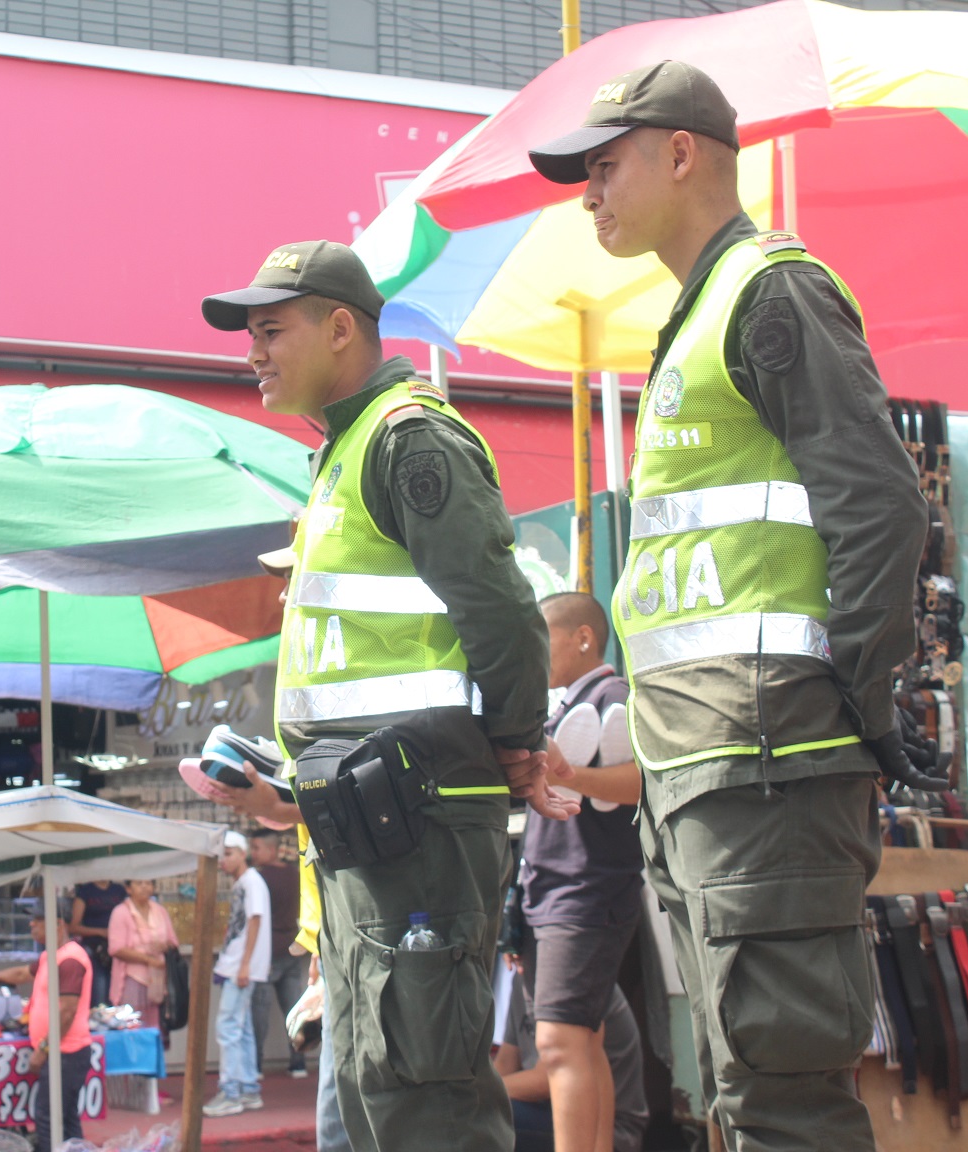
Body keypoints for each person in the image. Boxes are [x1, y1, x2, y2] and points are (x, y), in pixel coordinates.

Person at [527, 61, 941, 1151]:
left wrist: (858, 699)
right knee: (740, 1092)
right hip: (709, 770)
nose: (588, 195)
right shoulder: (704, 308)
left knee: (780, 1100)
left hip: (767, 756)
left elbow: (882, 507)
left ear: (681, 153)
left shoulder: (769, 290)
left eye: (604, 166)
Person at [202, 240, 567, 1151]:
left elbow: (503, 613)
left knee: (424, 1105)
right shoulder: (343, 449)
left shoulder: (408, 437)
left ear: (340, 328)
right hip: (373, 825)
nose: (253, 353)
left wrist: (516, 742)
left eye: (271, 331)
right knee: (381, 1095)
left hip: (421, 822)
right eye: (250, 335)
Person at [519, 592, 643, 1152]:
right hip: (549, 886)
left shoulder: (614, 697)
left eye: (542, 638)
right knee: (583, 1041)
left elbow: (640, 784)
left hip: (586, 887)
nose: (533, 653)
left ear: (584, 638)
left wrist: (569, 776)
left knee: (560, 1042)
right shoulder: (563, 705)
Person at [0, 898, 95, 1152]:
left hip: (66, 1052)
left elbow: (67, 1012)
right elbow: (21, 974)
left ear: (58, 924)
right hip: (61, 1051)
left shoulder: (70, 960)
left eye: (39, 919)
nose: (32, 924)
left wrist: (44, 1048)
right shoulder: (51, 956)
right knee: (64, 1118)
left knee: (49, 1118)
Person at [495, 979, 647, 1152]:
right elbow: (505, 1062)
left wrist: (477, 1090)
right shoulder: (521, 980)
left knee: (486, 1115)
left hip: (608, 1128)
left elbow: (545, 1080)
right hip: (547, 1109)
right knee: (480, 1111)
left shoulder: (570, 977)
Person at [203, 831, 270, 1117]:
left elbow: (255, 921)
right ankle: (248, 1088)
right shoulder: (246, 882)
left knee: (229, 1027)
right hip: (240, 964)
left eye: (228, 854)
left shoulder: (251, 881)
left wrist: (244, 964)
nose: (224, 861)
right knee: (241, 1029)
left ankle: (231, 1091)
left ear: (243, 854)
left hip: (240, 966)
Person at [246, 827, 307, 1077]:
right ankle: (298, 1061)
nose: (252, 853)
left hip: (266, 953)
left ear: (272, 850)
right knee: (294, 1009)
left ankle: (256, 1065)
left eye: (256, 848)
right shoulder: (295, 874)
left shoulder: (258, 878)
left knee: (259, 1013)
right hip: (292, 947)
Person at [106, 879, 179, 1031]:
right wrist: (148, 960)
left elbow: (173, 942)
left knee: (156, 1025)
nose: (144, 887)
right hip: (132, 977)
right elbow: (116, 949)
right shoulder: (121, 912)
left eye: (148, 883)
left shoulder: (160, 911)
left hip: (159, 978)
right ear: (128, 889)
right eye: (139, 884)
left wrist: (164, 946)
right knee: (133, 1024)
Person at [70, 880, 127, 1006]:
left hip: (118, 949)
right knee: (99, 990)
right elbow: (74, 927)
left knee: (118, 993)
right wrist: (100, 932)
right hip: (94, 948)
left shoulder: (119, 890)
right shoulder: (85, 891)